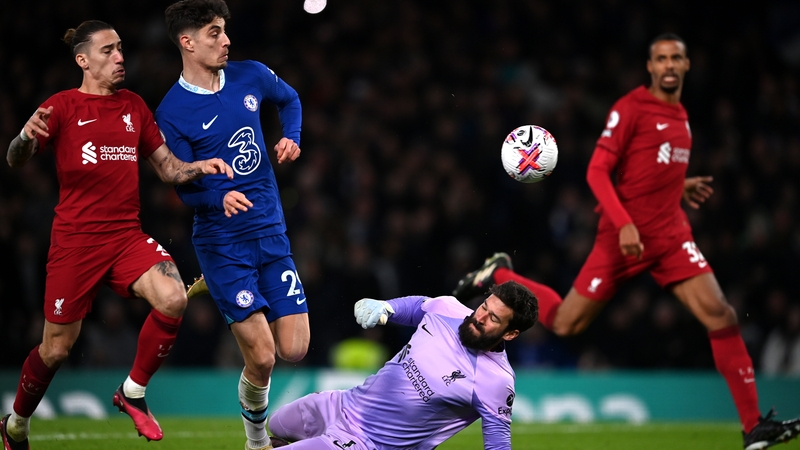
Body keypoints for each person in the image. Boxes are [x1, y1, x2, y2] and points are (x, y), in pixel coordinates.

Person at [453, 33, 800, 450]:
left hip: (670, 235)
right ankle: (499, 272)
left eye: (677, 58)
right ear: (650, 67)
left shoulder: (681, 116)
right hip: (623, 239)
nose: (669, 65)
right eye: (661, 58)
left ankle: (753, 427)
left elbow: (651, 171)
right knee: (566, 323)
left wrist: (678, 187)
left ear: (686, 65)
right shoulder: (631, 108)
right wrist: (625, 225)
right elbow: (597, 172)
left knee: (721, 315)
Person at [1, 20, 233, 450]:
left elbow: (167, 169)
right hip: (75, 242)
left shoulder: (134, 107)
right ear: (83, 60)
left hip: (126, 236)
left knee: (174, 298)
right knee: (56, 349)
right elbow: (17, 159)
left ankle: (133, 393)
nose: (120, 57)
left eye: (121, 49)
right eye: (108, 51)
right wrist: (21, 136)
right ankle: (16, 423)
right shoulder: (63, 107)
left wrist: (200, 166)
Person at [155, 1, 309, 449]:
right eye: (214, 33)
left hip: (270, 230)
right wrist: (217, 195)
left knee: (295, 349)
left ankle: (212, 286)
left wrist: (291, 136)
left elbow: (290, 99)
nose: (226, 40)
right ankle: (256, 440)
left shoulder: (252, 75)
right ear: (188, 43)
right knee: (262, 358)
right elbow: (183, 186)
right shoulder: (171, 112)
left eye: (224, 31)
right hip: (223, 242)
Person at [266, 280, 538, 449]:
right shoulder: (449, 309)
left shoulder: (496, 381)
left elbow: (498, 444)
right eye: (484, 307)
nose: (480, 317)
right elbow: (420, 306)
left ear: (510, 333)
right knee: (276, 425)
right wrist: (387, 308)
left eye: (493, 318)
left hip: (369, 444)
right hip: (344, 404)